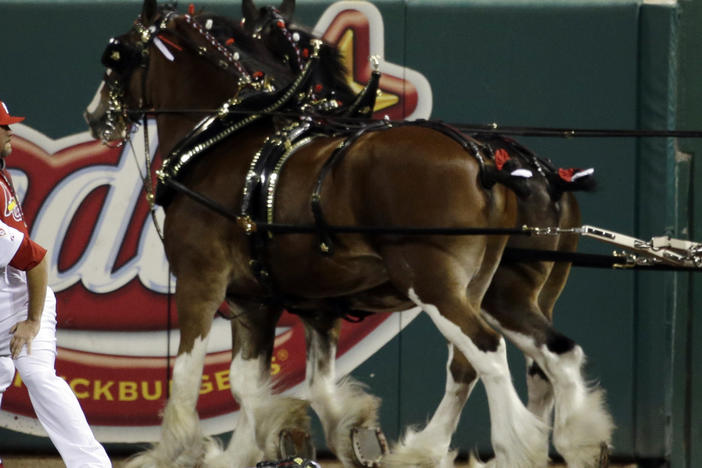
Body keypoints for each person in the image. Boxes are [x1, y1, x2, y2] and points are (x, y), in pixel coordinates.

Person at [0, 100, 111, 468]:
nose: (10, 131)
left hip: (22, 304)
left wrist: (32, 321)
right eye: (5, 127)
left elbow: (35, 260)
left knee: (37, 375)